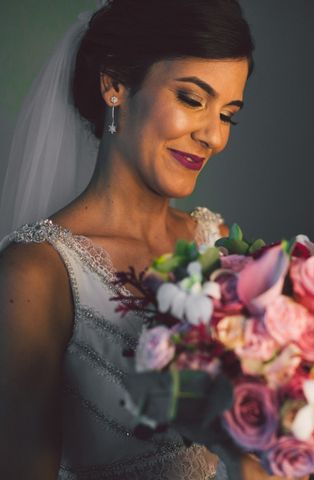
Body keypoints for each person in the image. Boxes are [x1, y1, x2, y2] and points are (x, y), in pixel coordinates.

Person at [0, 1, 298, 478]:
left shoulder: (215, 242)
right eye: (192, 99)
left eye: (228, 114)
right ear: (114, 84)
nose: (214, 137)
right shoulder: (38, 270)